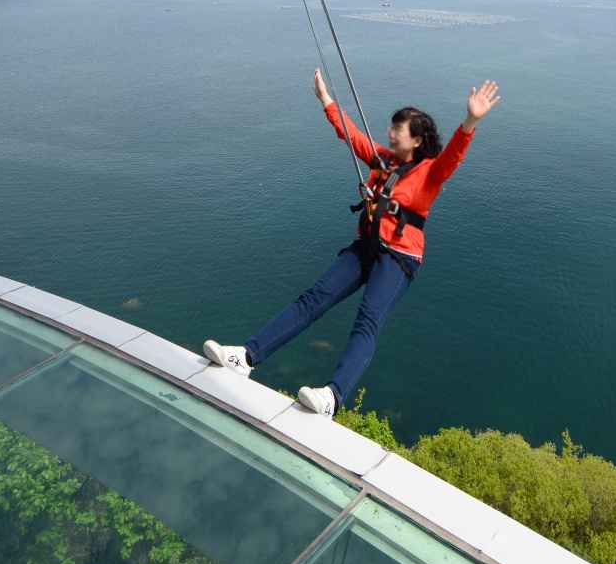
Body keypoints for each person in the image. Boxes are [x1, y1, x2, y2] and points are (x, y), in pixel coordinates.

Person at [203, 69, 501, 416]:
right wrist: (326, 99)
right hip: (368, 248)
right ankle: (247, 356)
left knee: (367, 320)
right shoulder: (383, 161)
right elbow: (351, 135)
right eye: (391, 127)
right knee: (313, 298)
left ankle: (333, 396)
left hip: (399, 259)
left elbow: (453, 156)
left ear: (417, 140)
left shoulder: (430, 173)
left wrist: (469, 121)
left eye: (397, 129)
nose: (389, 133)